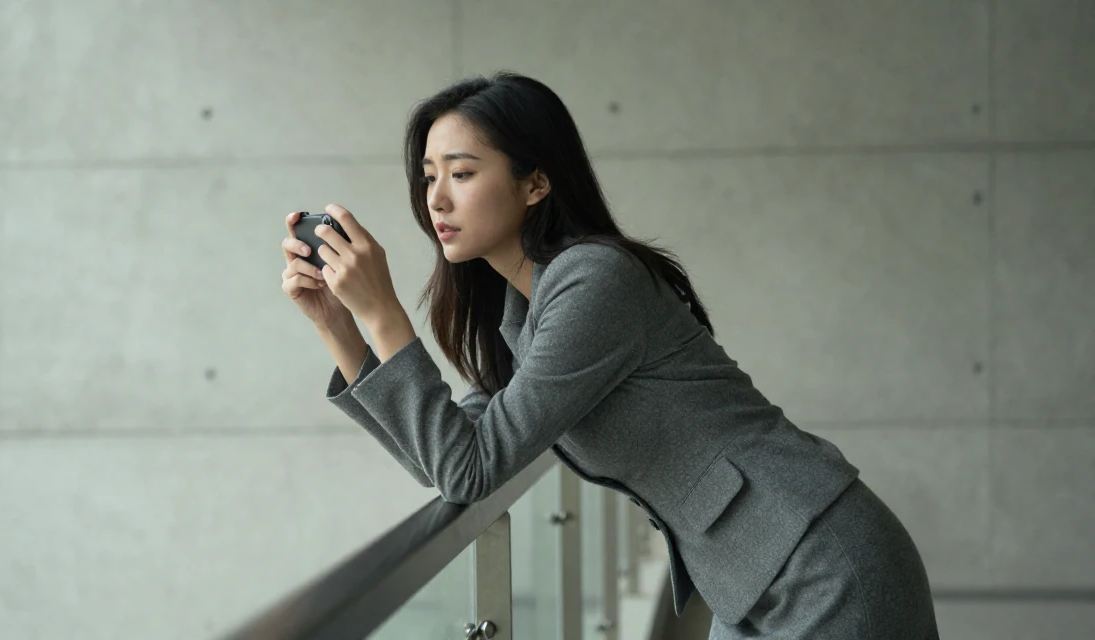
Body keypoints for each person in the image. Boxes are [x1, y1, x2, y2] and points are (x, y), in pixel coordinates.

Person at [279, 71, 939, 639]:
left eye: (462, 172)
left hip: (820, 562)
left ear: (535, 184)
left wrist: (383, 313)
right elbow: (451, 454)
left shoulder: (593, 281)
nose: (437, 198)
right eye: (429, 176)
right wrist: (342, 328)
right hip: (762, 576)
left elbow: (470, 471)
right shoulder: (523, 312)